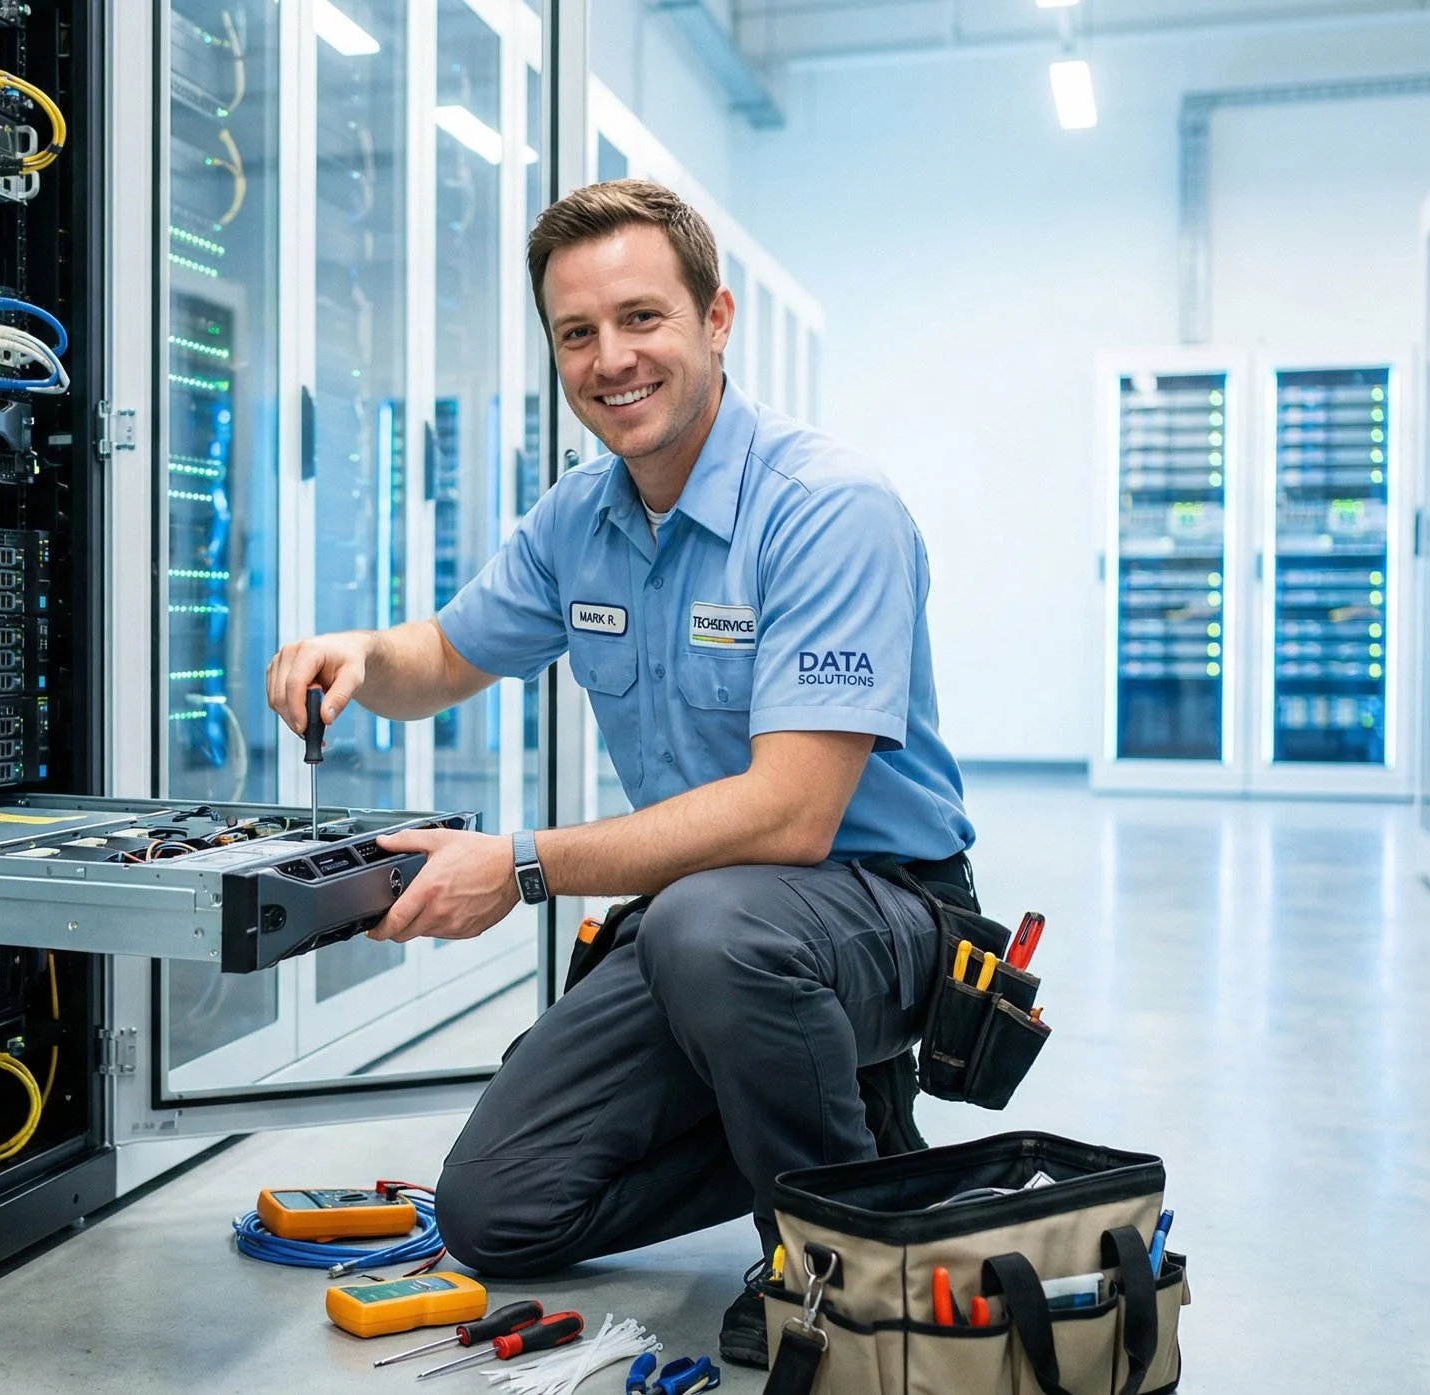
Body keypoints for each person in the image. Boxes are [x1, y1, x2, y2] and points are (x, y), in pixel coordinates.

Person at [260, 179, 976, 1367]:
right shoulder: (578, 521)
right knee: (502, 1215)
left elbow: (794, 817)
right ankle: (846, 1121)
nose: (611, 360)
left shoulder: (825, 510)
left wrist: (523, 867)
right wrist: (359, 653)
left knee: (708, 928)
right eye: (576, 333)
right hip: (718, 927)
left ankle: (837, 1245)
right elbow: (440, 657)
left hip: (880, 906)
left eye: (642, 319)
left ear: (715, 320)